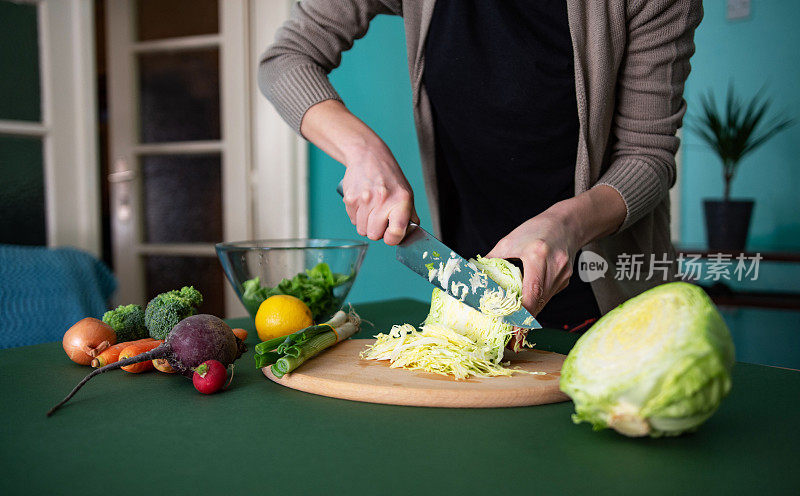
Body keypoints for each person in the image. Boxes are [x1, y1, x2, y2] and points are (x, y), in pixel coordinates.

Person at [259, 0, 702, 329]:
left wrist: (566, 224)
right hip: (472, 306)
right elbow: (287, 57)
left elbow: (648, 156)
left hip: (608, 303)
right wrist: (362, 152)